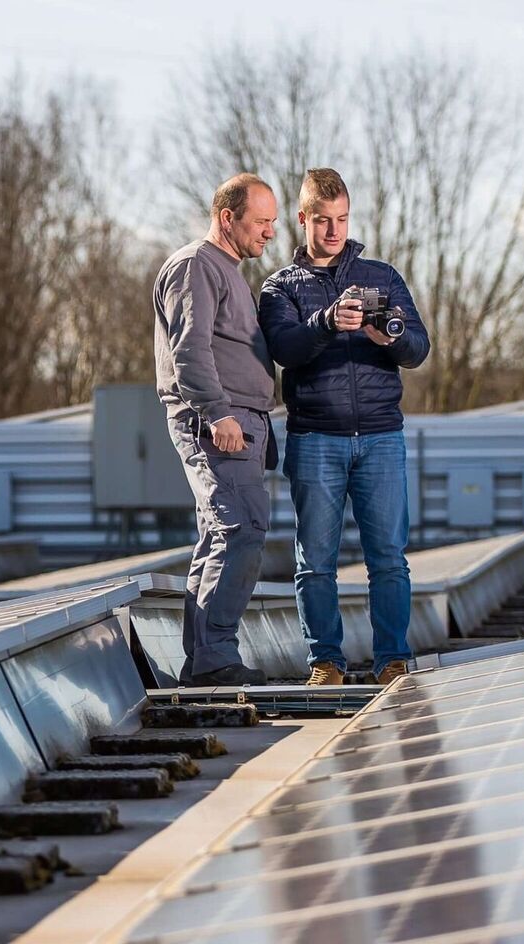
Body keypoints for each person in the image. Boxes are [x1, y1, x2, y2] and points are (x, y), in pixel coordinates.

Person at [258, 167, 430, 686]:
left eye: (342, 219)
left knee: (389, 558)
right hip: (314, 438)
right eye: (323, 221)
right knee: (315, 561)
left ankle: (393, 660)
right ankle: (325, 663)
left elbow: (418, 348)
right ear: (303, 219)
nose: (334, 231)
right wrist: (328, 322)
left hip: (380, 436)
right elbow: (284, 350)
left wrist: (390, 341)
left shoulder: (383, 276)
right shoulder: (279, 288)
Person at [151, 172, 279, 686]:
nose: (270, 232)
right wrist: (217, 413)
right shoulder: (195, 267)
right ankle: (215, 657)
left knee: (221, 534)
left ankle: (208, 658)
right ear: (228, 217)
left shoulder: (228, 271)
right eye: (262, 221)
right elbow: (190, 350)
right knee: (240, 528)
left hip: (240, 421)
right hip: (218, 423)